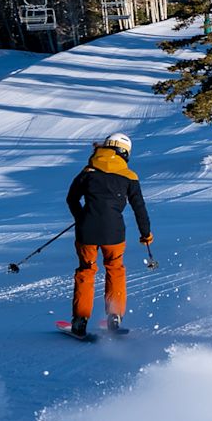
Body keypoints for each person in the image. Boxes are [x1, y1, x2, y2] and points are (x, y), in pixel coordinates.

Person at [64, 132, 152, 339]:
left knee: (86, 271)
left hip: (86, 231)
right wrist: (145, 234)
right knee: (115, 269)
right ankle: (114, 317)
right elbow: (140, 208)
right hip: (114, 233)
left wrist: (82, 217)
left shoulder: (88, 171)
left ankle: (79, 320)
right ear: (124, 152)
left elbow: (71, 199)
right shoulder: (129, 176)